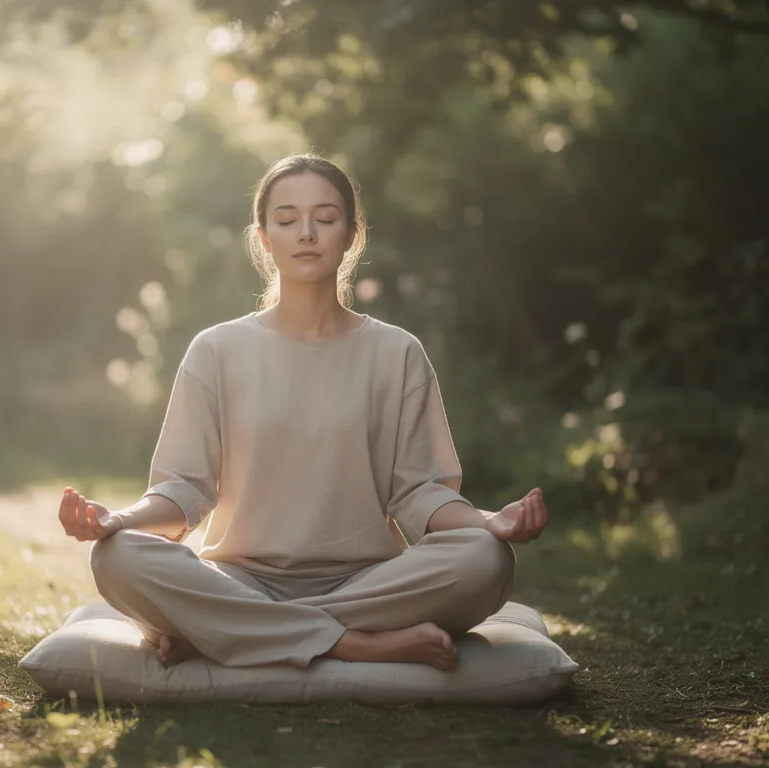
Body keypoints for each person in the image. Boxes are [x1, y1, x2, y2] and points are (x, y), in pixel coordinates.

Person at [57, 153, 548, 672]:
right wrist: (117, 519)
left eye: (325, 218)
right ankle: (350, 643)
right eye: (287, 220)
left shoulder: (397, 353)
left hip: (367, 583)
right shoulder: (216, 350)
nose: (306, 233)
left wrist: (490, 521)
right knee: (118, 556)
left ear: (351, 236)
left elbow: (420, 494)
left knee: (485, 560)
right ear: (264, 239)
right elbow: (183, 489)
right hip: (239, 578)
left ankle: (227, 633)